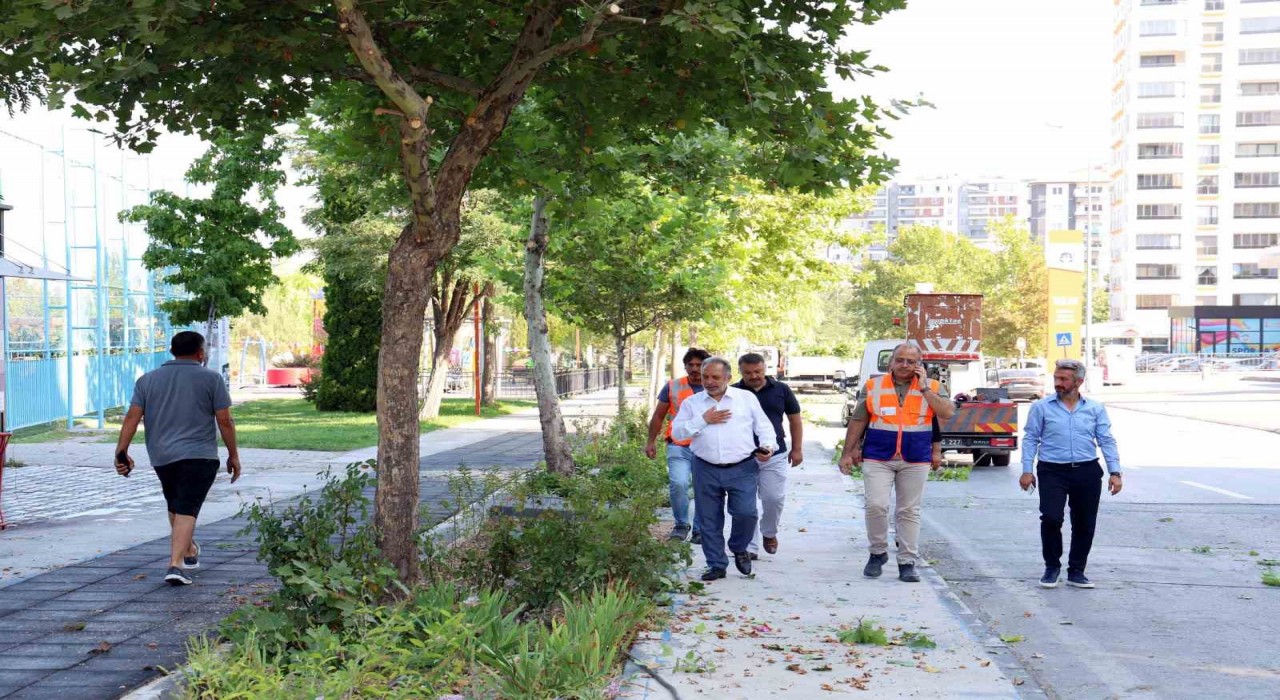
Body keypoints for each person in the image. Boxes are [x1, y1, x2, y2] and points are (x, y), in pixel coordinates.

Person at [114, 331, 242, 586]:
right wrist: (233, 455)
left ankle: (190, 548)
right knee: (184, 507)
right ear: (200, 353)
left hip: (162, 455)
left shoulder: (147, 380)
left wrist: (122, 450)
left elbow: (132, 416)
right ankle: (175, 565)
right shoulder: (211, 379)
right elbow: (225, 420)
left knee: (177, 506)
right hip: (199, 455)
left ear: (173, 351)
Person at [838, 342, 955, 583]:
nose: (904, 365)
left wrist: (925, 389)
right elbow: (858, 421)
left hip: (915, 458)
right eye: (900, 360)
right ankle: (878, 552)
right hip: (878, 455)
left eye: (911, 361)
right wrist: (847, 452)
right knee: (876, 505)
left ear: (919, 365)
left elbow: (946, 413)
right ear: (891, 362)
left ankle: (907, 561)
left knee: (909, 511)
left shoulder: (932, 386)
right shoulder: (874, 386)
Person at [1019, 358, 1122, 589]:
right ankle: (1052, 567)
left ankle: (1076, 570)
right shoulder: (1041, 407)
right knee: (1052, 518)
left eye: (1064, 379)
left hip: (1087, 470)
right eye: (1056, 378)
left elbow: (1106, 440)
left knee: (1085, 523)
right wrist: (1027, 470)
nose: (1058, 382)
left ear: (1079, 382)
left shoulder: (1095, 408)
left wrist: (1115, 472)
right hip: (1052, 470)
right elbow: (1030, 439)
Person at [672, 357, 777, 581]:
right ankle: (716, 564)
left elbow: (765, 428)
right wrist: (703, 420)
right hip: (705, 467)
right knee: (708, 519)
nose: (709, 381)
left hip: (742, 467)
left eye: (715, 377)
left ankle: (739, 547)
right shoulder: (692, 403)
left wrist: (767, 447)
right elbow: (677, 433)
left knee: (746, 513)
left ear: (728, 378)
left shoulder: (745, 399)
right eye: (705, 377)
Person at [733, 352, 802, 557]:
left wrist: (797, 449)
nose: (754, 376)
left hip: (775, 455)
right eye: (748, 373)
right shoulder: (734, 392)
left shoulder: (781, 390)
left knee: (773, 498)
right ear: (740, 372)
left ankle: (769, 532)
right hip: (742, 456)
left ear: (765, 369)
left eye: (758, 371)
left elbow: (795, 420)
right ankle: (749, 547)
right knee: (745, 504)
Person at [645, 348, 711, 543]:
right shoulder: (673, 386)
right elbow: (659, 415)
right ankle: (681, 524)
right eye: (690, 364)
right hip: (679, 445)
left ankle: (700, 528)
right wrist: (650, 441)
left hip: (706, 448)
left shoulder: (715, 387)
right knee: (678, 483)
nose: (694, 368)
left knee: (703, 488)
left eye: (699, 365)